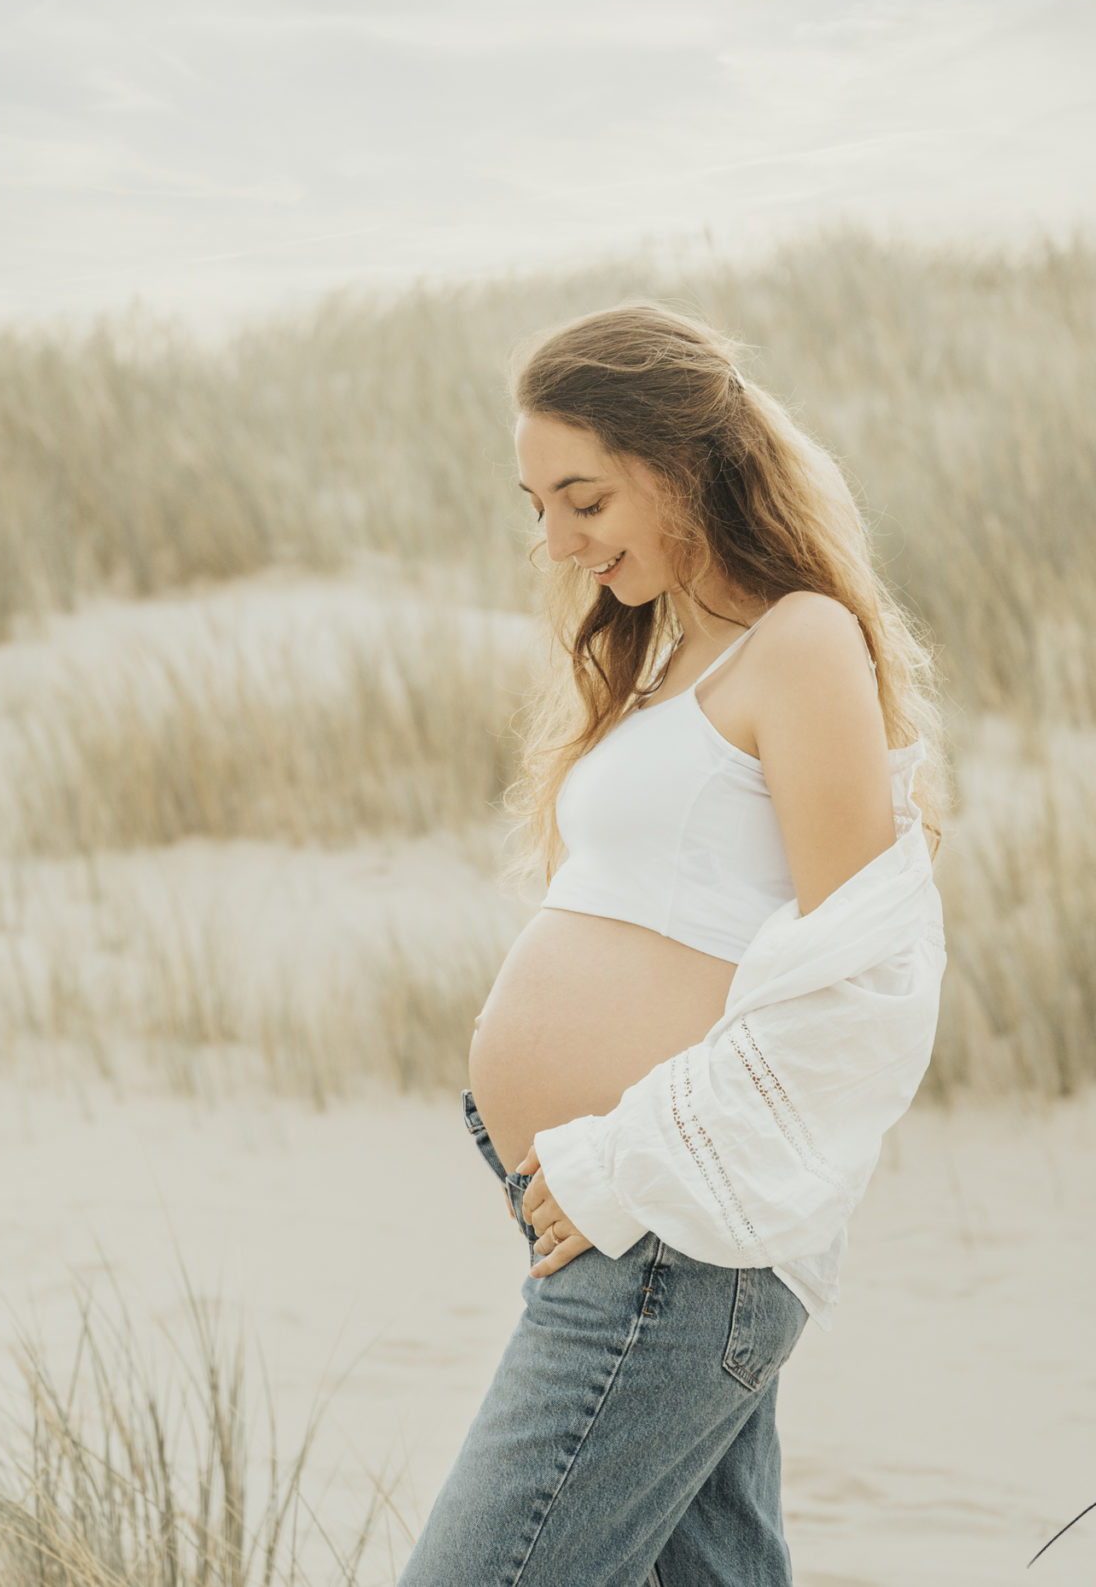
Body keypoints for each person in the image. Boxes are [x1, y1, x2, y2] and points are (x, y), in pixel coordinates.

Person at [396, 303, 951, 1587]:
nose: (555, 541)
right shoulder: (659, 658)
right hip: (629, 1221)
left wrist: (623, 1163)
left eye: (583, 499)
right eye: (535, 506)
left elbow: (865, 986)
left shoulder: (799, 642)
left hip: (669, 1230)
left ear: (681, 464)